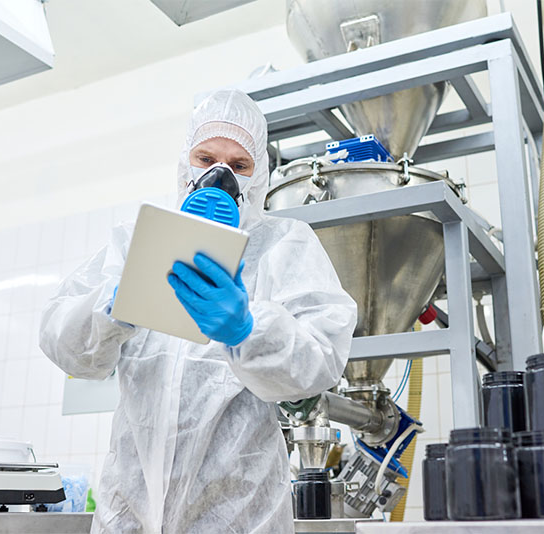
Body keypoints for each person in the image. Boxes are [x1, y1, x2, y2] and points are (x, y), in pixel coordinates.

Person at [39, 88, 357, 533]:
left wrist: (248, 331)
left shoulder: (286, 245)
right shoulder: (135, 243)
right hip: (129, 512)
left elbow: (320, 362)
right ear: (185, 165)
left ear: (259, 176)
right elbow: (66, 347)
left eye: (239, 165)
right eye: (205, 159)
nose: (220, 176)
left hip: (239, 516)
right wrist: (112, 305)